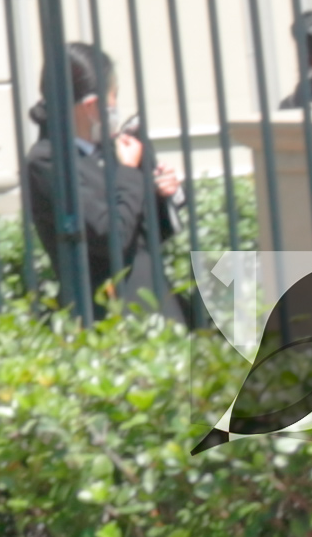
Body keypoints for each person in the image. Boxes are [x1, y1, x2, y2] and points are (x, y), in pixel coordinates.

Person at [21, 41, 201, 327]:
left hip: (156, 304)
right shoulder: (47, 162)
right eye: (113, 96)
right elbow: (111, 236)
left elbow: (146, 234)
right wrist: (128, 173)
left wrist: (165, 192)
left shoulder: (112, 148)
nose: (115, 105)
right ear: (92, 106)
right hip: (110, 318)